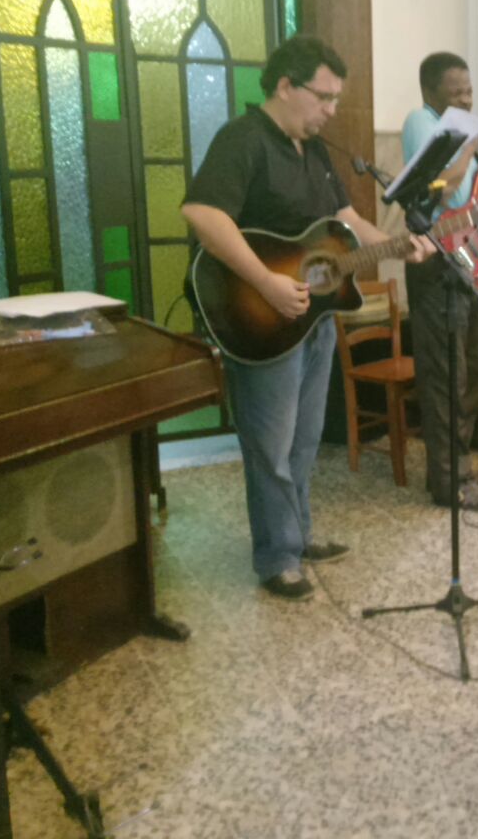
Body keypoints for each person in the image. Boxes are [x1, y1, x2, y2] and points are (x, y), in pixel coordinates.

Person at [182, 35, 431, 602]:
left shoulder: (313, 152)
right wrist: (266, 282)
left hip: (313, 317)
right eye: (324, 97)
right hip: (260, 318)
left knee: (304, 438)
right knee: (270, 445)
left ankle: (297, 535)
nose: (331, 110)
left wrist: (398, 245)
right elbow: (203, 213)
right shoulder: (243, 139)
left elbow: (346, 219)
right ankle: (278, 557)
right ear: (285, 86)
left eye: (336, 99)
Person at [389, 52, 478, 512]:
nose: (466, 99)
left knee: (473, 371)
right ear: (430, 92)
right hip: (435, 265)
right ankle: (449, 482)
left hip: (467, 265)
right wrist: (469, 141)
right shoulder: (422, 122)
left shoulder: (460, 135)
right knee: (445, 379)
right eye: (456, 92)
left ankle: (458, 467)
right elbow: (448, 191)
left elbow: (475, 204)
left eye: (469, 91)